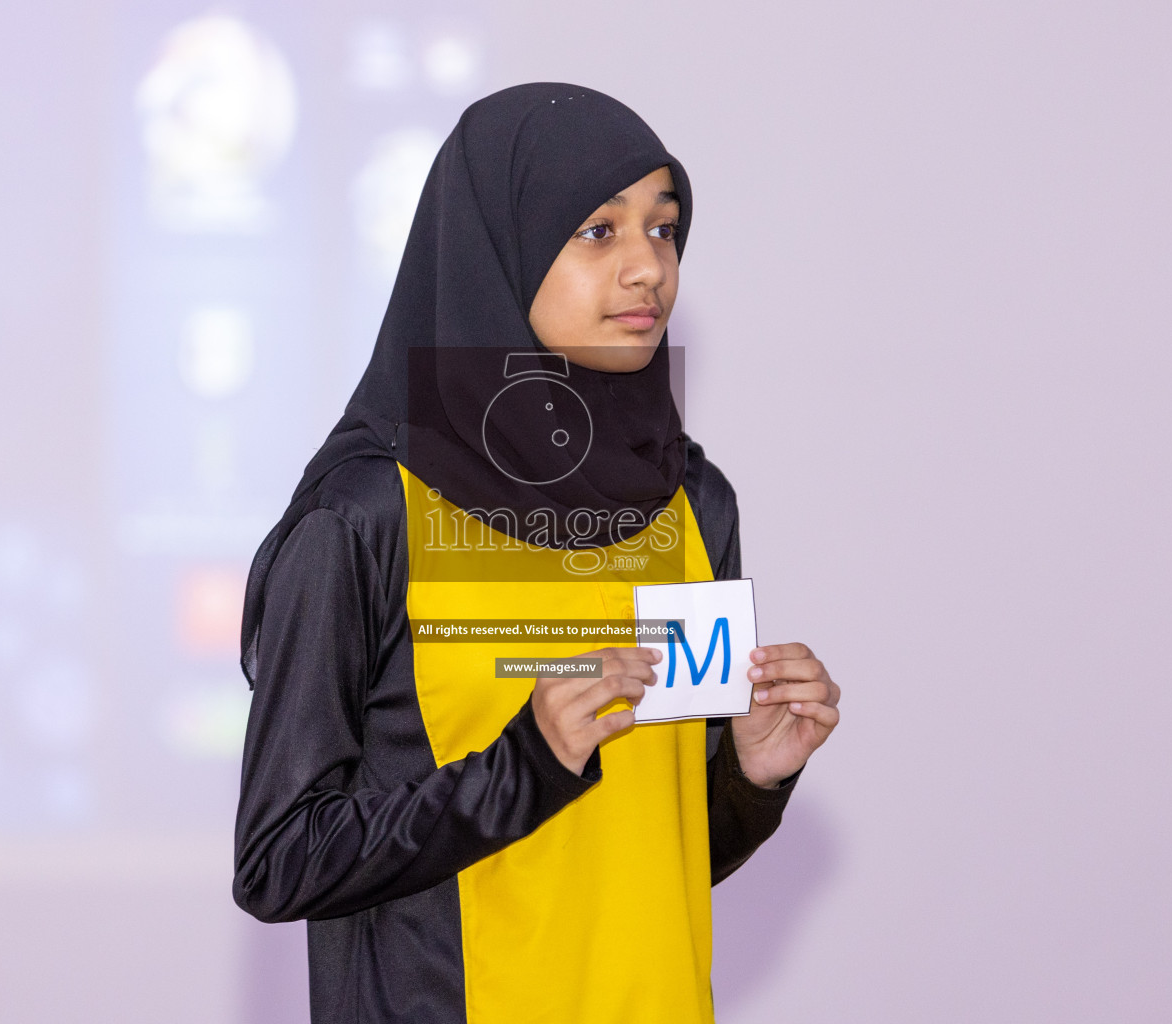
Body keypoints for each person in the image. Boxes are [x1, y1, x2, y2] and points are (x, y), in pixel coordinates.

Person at [233, 82, 841, 1024]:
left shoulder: (690, 502)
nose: (648, 267)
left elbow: (662, 851)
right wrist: (521, 767)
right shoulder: (367, 515)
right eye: (599, 230)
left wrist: (753, 778)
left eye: (664, 228)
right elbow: (279, 859)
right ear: (497, 245)